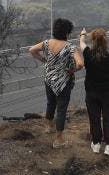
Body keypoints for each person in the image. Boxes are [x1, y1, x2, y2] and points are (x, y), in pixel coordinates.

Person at [29, 18, 84, 148]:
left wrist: (45, 60)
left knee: (50, 103)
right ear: (67, 32)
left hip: (49, 78)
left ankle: (49, 127)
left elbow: (32, 50)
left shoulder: (47, 43)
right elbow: (80, 63)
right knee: (61, 109)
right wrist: (73, 70)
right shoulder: (71, 47)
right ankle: (58, 140)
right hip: (63, 82)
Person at [79, 27, 109, 156]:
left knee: (94, 118)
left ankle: (96, 144)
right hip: (108, 92)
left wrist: (83, 34)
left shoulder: (87, 53)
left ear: (93, 40)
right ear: (105, 40)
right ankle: (108, 146)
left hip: (91, 92)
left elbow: (81, 43)